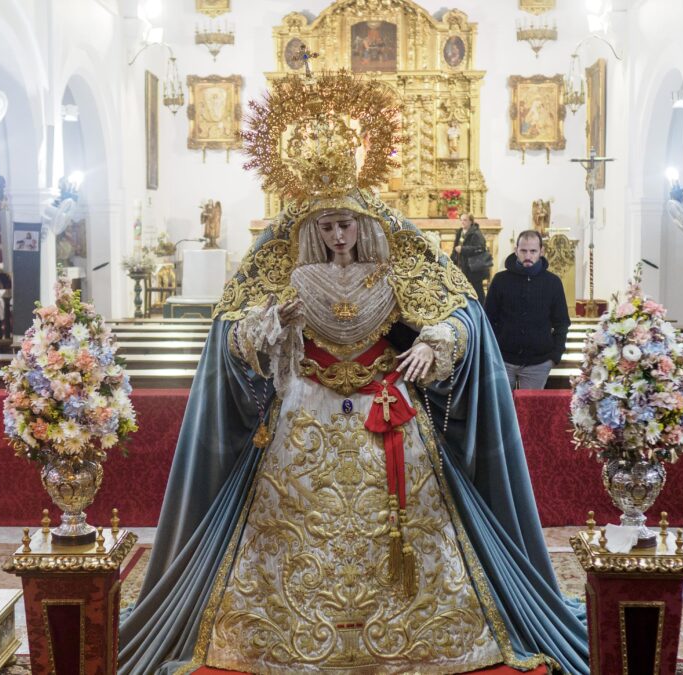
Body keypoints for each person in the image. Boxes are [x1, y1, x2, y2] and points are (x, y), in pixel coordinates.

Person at [117, 71, 587, 675]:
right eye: (326, 227)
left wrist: (436, 344)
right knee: (293, 532)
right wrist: (271, 325)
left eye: (346, 224)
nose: (338, 236)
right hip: (303, 419)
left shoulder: (399, 266)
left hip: (386, 415)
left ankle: (417, 632)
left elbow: (461, 316)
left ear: (363, 222)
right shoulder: (284, 268)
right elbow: (231, 335)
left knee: (407, 531)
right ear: (312, 228)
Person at [485, 230, 570, 390]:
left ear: (541, 251)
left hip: (539, 362)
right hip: (503, 359)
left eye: (533, 251)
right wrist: (492, 352)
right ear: (516, 250)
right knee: (502, 411)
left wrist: (555, 356)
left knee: (530, 412)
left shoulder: (552, 282)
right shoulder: (500, 280)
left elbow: (562, 322)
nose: (528, 256)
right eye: (523, 251)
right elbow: (488, 319)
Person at [451, 213, 490, 300]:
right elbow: (455, 248)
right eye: (461, 220)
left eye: (465, 220)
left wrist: (463, 249)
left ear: (471, 222)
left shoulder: (476, 233)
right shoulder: (460, 232)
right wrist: (451, 260)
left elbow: (480, 248)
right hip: (463, 265)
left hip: (474, 267)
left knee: (477, 289)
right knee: (464, 288)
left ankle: (482, 308)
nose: (462, 222)